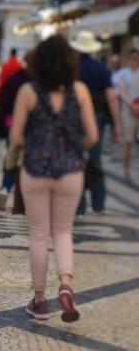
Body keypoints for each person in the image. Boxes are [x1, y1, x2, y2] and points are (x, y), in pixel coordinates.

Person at [9, 35, 98, 322]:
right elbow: (93, 137)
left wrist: (36, 143)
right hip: (70, 171)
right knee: (63, 231)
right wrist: (74, 148)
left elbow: (15, 137)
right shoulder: (80, 91)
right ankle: (66, 285)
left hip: (35, 170)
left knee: (38, 233)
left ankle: (39, 301)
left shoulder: (27, 91)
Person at [69, 31, 121, 215]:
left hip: (74, 116)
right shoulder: (101, 69)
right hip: (96, 117)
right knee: (95, 159)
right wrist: (117, 124)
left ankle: (79, 204)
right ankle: (98, 203)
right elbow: (112, 98)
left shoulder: (72, 68)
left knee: (76, 159)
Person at [0, 51, 32, 211]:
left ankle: (4, 190)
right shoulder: (37, 83)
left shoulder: (13, 79)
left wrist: (1, 128)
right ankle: (25, 198)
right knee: (27, 163)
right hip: (31, 128)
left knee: (11, 159)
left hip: (12, 124)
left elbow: (2, 104)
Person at [116, 49, 139, 180]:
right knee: (128, 142)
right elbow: (121, 91)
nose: (133, 61)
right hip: (128, 113)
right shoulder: (123, 74)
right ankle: (126, 169)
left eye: (135, 58)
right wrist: (131, 105)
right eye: (131, 58)